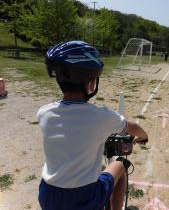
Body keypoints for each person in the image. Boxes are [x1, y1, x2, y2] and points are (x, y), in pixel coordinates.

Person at [37, 41, 148, 210]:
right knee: (119, 166)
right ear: (91, 83)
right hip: (84, 197)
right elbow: (132, 127)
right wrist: (143, 136)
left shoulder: (43, 112)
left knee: (101, 168)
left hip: (48, 195)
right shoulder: (100, 116)